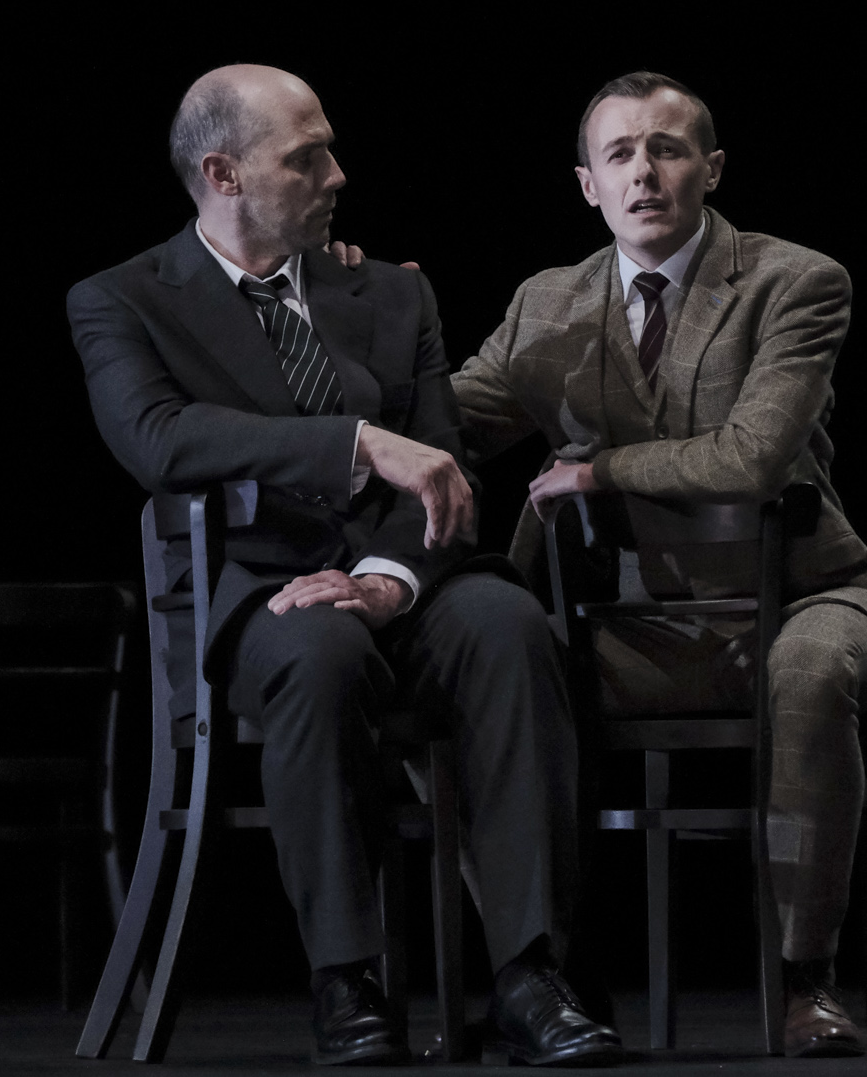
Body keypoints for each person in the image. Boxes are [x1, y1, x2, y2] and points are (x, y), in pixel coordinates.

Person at [67, 66, 622, 1068]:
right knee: (316, 654)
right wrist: (358, 442)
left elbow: (444, 460)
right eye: (306, 155)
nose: (337, 172)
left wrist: (387, 578)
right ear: (223, 173)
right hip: (260, 590)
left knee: (511, 630)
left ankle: (532, 972)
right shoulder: (125, 300)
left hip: (408, 579)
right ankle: (348, 978)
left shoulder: (391, 289)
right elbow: (160, 438)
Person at [446, 72, 867, 1059]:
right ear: (587, 184)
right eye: (620, 154)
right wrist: (363, 320)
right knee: (471, 679)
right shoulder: (548, 303)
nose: (644, 172)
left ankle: (804, 976)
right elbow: (442, 429)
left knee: (811, 670)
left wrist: (598, 470)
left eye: (667, 148)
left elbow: (749, 456)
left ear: (711, 168)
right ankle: (545, 971)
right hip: (643, 626)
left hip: (809, 595)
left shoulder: (796, 281)